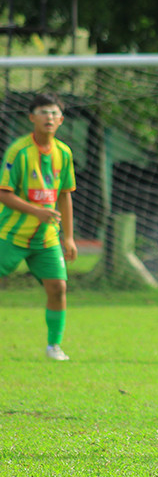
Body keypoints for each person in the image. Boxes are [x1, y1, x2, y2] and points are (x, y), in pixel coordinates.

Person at [0, 93, 78, 361]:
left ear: (62, 120)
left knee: (58, 287)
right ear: (32, 117)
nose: (49, 117)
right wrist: (37, 211)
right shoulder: (18, 151)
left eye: (54, 113)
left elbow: (65, 194)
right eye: (43, 112)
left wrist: (68, 237)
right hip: (10, 234)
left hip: (46, 238)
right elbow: (4, 192)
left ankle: (53, 346)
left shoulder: (64, 152)